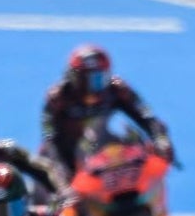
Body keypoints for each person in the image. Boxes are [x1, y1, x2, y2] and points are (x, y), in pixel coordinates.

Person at [40, 44, 174, 176]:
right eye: (83, 79)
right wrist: (61, 170)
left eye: (97, 79)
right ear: (71, 76)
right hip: (64, 152)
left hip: (99, 148)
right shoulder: (57, 98)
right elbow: (49, 138)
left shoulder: (118, 90)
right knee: (49, 176)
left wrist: (161, 140)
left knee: (136, 147)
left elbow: (148, 117)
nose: (90, 87)